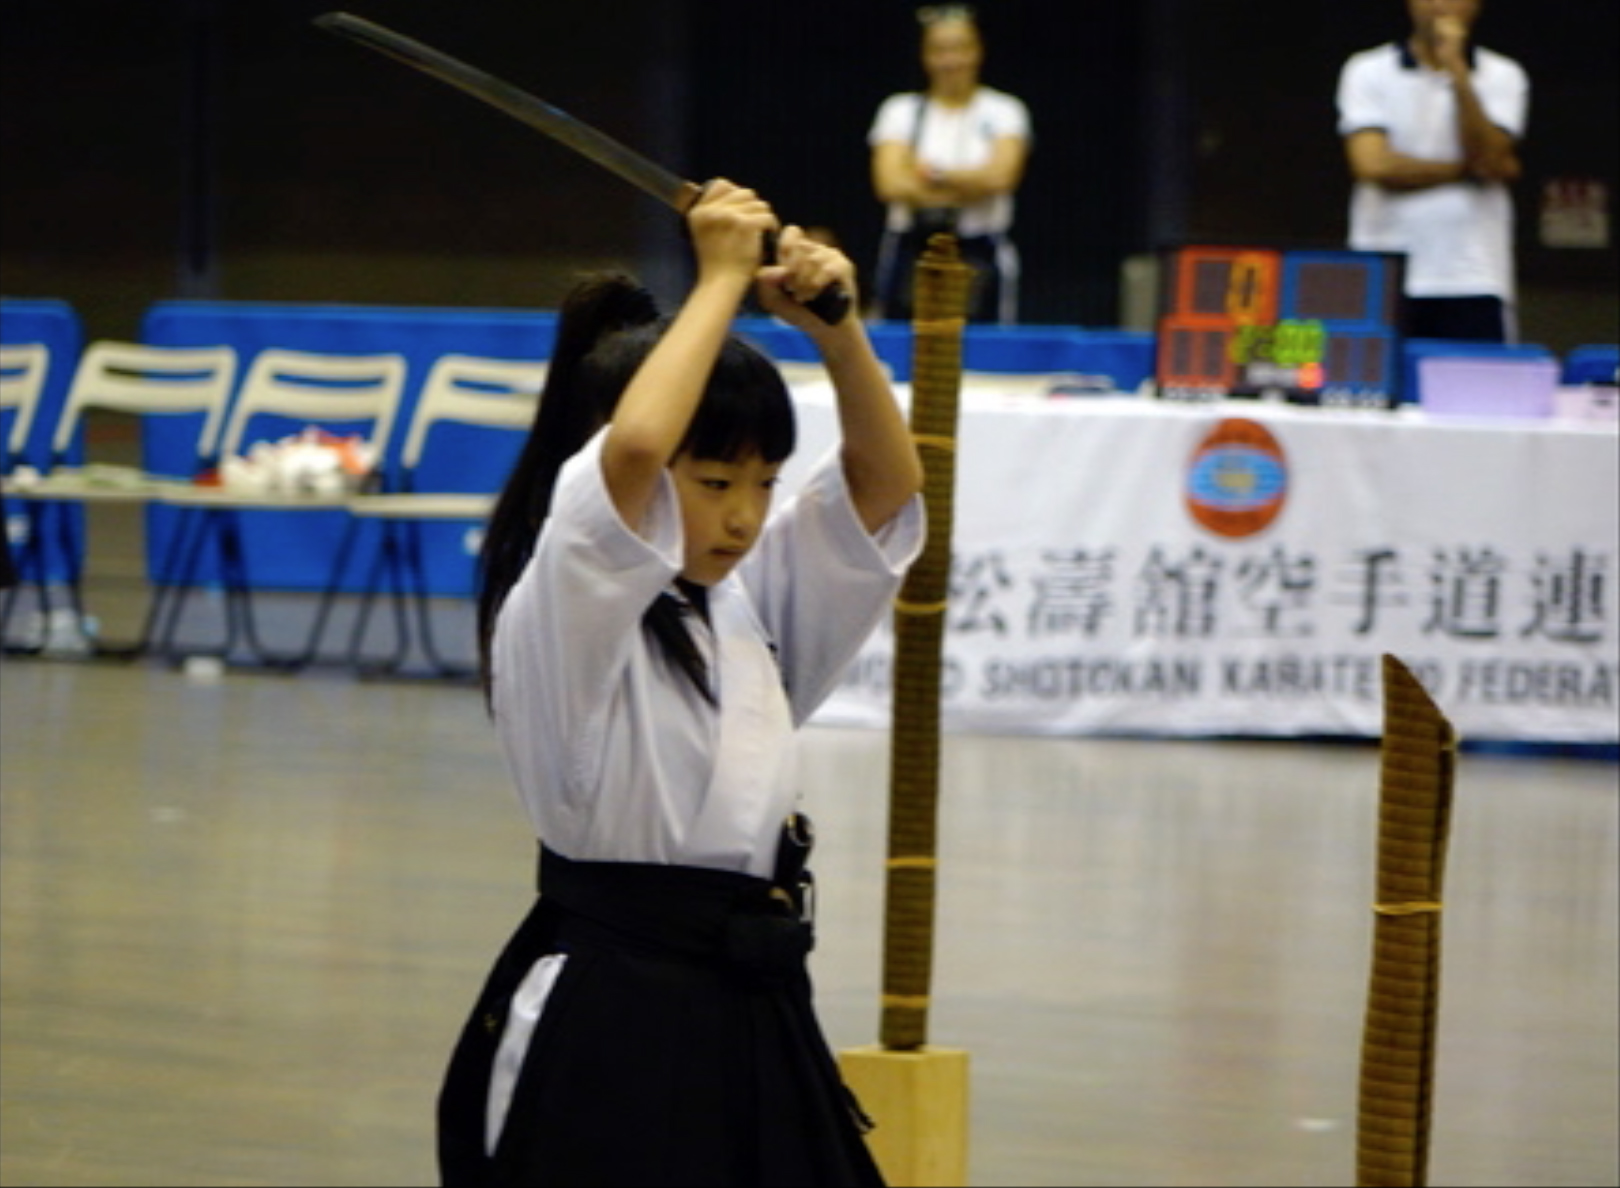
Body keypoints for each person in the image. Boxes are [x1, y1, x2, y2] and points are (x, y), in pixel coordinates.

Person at [435, 180, 925, 1186]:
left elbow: (885, 488)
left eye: (764, 484)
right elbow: (636, 447)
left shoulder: (745, 606)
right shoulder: (567, 604)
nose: (745, 517)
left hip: (750, 1001)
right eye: (714, 484)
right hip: (608, 1010)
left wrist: (839, 336)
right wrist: (719, 281)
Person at [1335, 0, 1529, 342]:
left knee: (1476, 375)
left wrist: (1457, 71)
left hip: (1473, 275)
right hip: (1385, 268)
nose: (1441, 4)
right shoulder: (1367, 69)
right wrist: (1468, 172)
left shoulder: (1504, 74)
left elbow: (1486, 156)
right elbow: (1372, 164)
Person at [868, 5, 1031, 324]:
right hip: (912, 248)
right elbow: (890, 184)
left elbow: (1000, 178)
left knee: (982, 346)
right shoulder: (899, 111)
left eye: (960, 49)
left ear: (977, 51)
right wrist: (971, 184)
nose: (950, 61)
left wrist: (931, 174)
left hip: (979, 249)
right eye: (939, 51)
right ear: (925, 55)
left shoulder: (1004, 110)